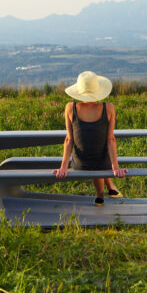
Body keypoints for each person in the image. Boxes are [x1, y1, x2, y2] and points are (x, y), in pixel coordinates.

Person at [53, 71, 127, 204]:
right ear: (98, 90)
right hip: (102, 163)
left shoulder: (70, 108)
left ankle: (103, 193)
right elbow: (111, 139)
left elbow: (69, 139)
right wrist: (115, 167)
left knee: (92, 154)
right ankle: (106, 190)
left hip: (80, 163)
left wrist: (63, 167)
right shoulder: (109, 108)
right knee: (98, 156)